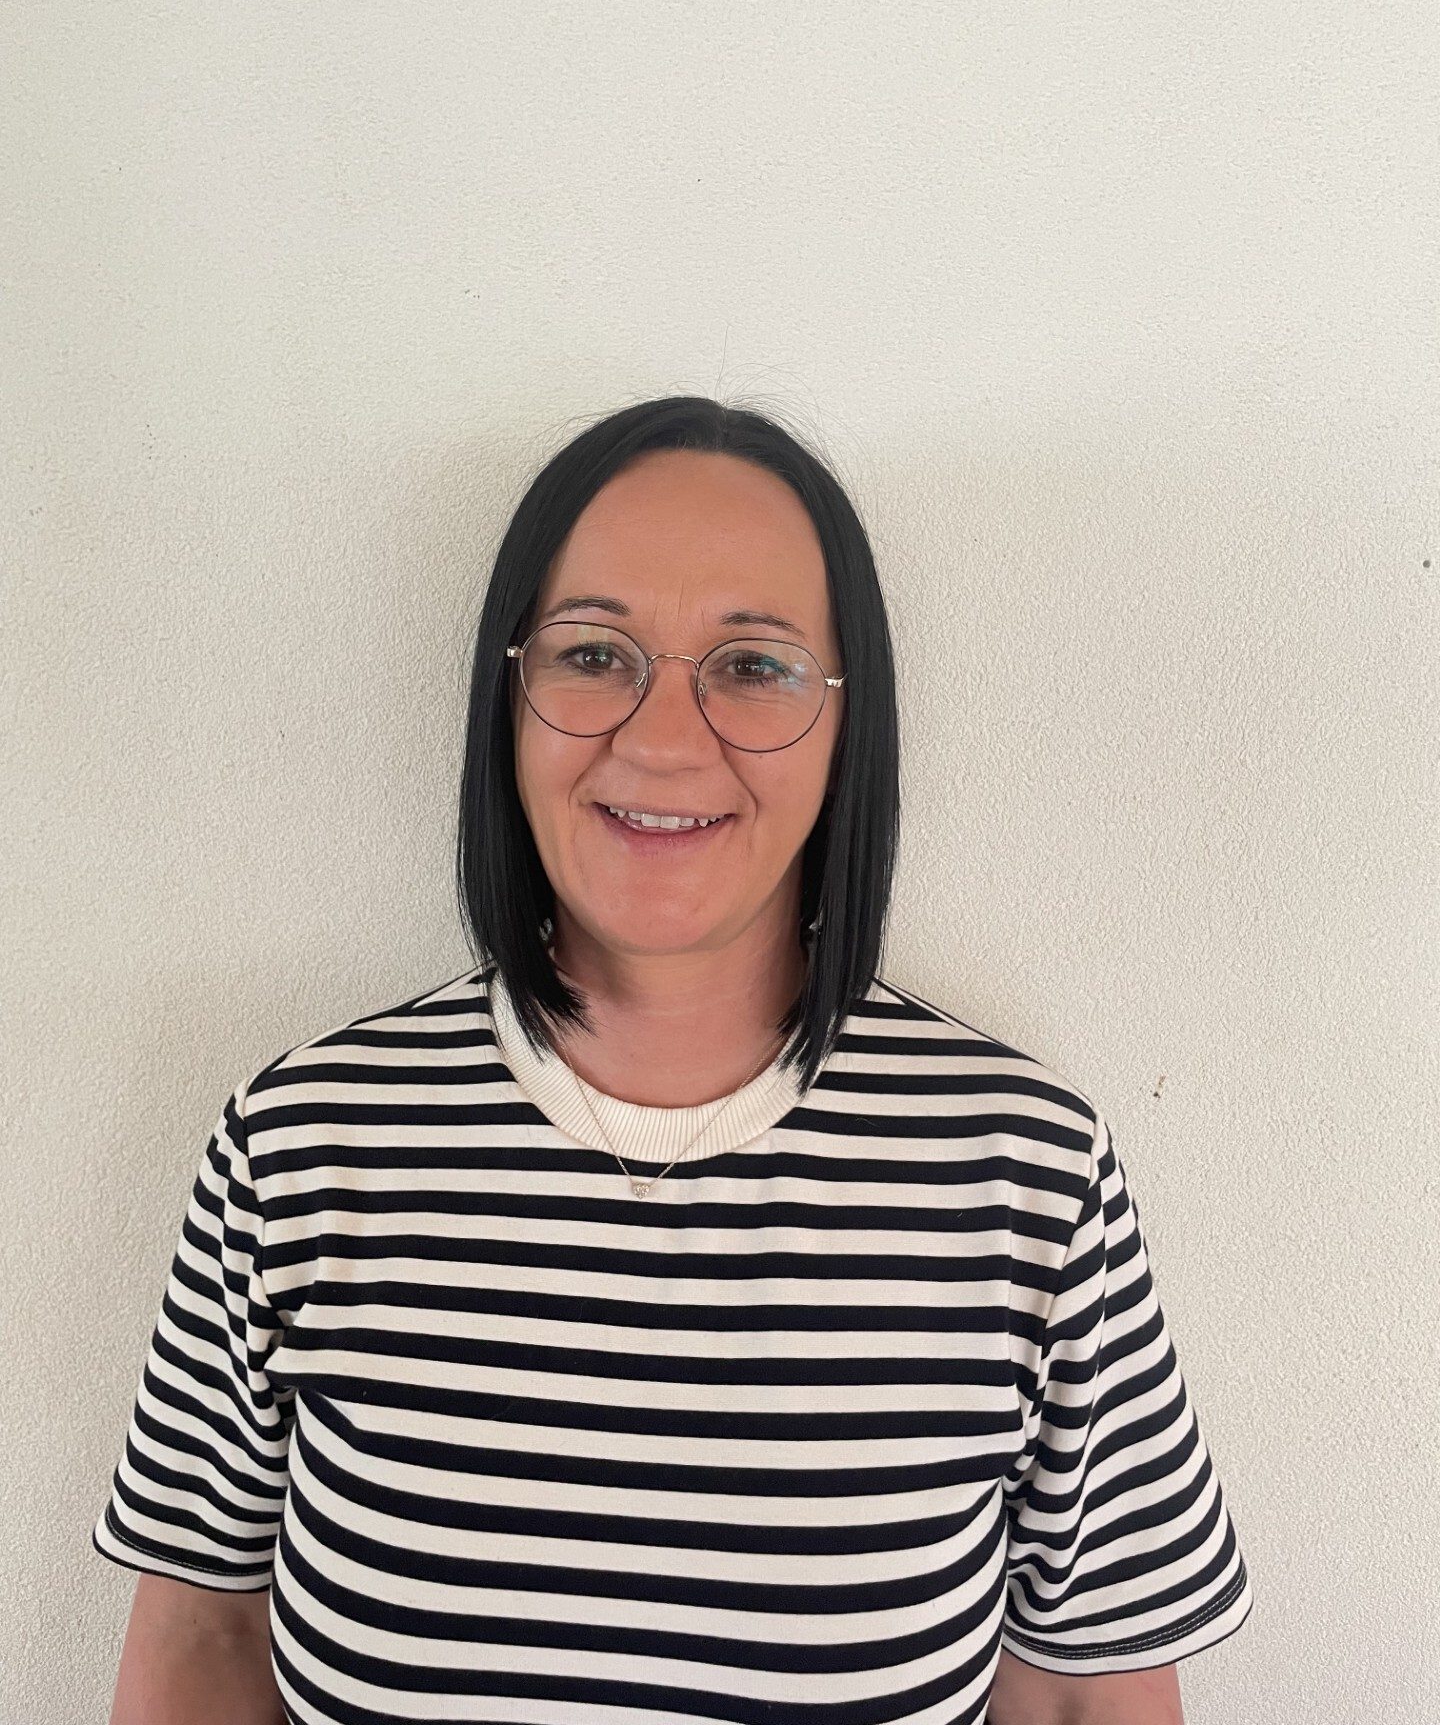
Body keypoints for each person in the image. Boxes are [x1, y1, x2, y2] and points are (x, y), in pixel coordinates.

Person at [94, 396, 1252, 1724]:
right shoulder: (301, 1148)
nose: (659, 738)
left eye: (753, 668)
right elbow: (197, 1655)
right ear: (508, 694)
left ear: (846, 727)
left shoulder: (1025, 1181)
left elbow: (1079, 1700)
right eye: (595, 654)